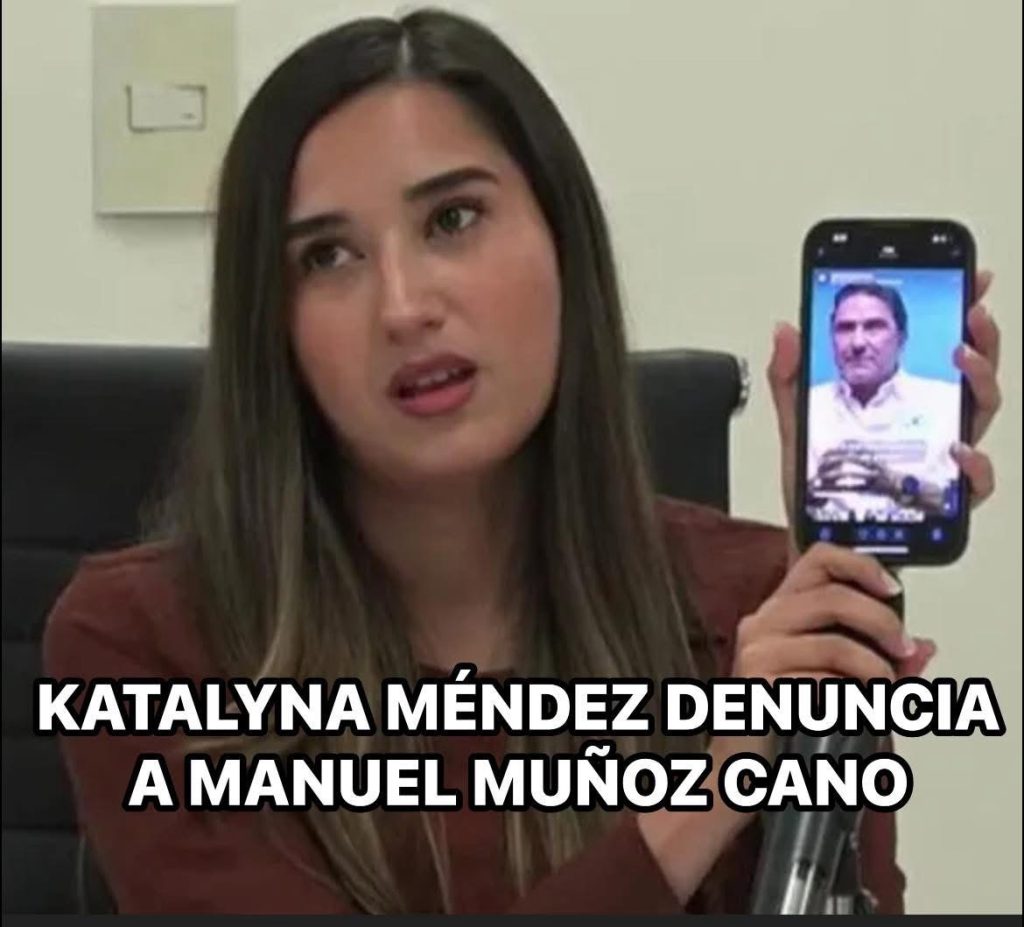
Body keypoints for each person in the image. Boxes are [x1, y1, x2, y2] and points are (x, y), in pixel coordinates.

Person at [42, 10, 1002, 915]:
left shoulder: (755, 613)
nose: (404, 306)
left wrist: (845, 581)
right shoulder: (142, 643)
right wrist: (712, 790)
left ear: (563, 244)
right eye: (328, 256)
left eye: (453, 219)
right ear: (272, 329)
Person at [807, 282, 966, 521]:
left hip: (921, 542)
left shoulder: (949, 402)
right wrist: (814, 491)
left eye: (874, 327)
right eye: (845, 328)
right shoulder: (807, 405)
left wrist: (896, 485)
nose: (857, 343)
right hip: (825, 542)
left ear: (901, 338)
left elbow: (958, 500)